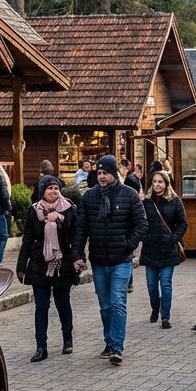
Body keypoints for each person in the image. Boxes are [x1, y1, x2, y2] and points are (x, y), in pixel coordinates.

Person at [75, 155, 147, 366]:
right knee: (105, 305)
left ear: (114, 173)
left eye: (105, 173)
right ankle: (109, 341)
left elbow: (142, 224)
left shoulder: (129, 195)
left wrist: (128, 244)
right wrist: (78, 254)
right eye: (99, 173)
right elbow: (81, 228)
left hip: (121, 259)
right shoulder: (89, 197)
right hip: (99, 258)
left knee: (117, 303)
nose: (102, 177)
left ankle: (117, 346)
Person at [16, 174, 80, 362]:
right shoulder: (34, 211)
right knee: (41, 306)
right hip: (39, 264)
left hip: (63, 264)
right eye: (49, 188)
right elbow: (27, 240)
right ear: (42, 191)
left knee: (63, 304)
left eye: (56, 188)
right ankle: (41, 347)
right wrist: (21, 265)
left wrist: (58, 221)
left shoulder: (69, 210)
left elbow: (76, 236)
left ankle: (67, 339)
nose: (53, 191)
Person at [141, 171, 187, 328]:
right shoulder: (146, 202)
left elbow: (183, 223)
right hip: (150, 249)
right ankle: (155, 308)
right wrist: (142, 236)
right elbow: (139, 222)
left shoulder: (175, 201)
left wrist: (173, 239)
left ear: (166, 184)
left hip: (168, 250)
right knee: (152, 286)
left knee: (166, 284)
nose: (157, 185)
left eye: (160, 182)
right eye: (154, 182)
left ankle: (165, 316)